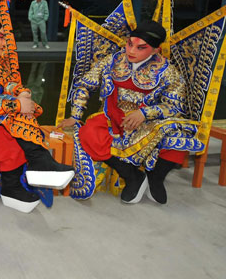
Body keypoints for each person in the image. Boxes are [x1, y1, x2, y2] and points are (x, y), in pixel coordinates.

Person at [57, 20, 202, 205]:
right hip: (113, 116)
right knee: (88, 133)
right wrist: (75, 116)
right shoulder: (112, 61)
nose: (131, 51)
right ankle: (132, 176)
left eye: (141, 47)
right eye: (129, 44)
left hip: (149, 121)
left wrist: (145, 113)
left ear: (156, 50)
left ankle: (156, 178)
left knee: (180, 137)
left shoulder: (167, 72)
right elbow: (85, 85)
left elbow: (175, 106)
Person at [0, 15, 74, 213]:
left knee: (22, 120)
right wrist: (16, 105)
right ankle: (37, 166)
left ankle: (26, 176)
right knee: (16, 126)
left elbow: (5, 83)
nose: (4, 42)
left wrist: (21, 92)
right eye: (1, 37)